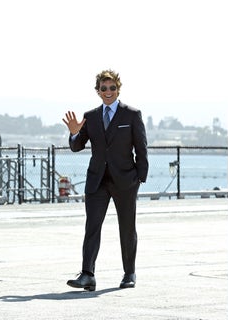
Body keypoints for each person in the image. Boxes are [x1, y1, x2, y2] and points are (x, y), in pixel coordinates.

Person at [62, 69, 149, 291]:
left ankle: (129, 273)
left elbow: (141, 148)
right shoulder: (90, 117)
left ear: (118, 89)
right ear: (98, 91)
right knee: (92, 226)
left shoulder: (131, 114)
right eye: (104, 88)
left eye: (112, 88)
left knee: (127, 228)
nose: (108, 91)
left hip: (125, 181)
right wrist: (73, 133)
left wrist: (139, 178)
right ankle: (87, 274)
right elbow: (77, 146)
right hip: (97, 181)